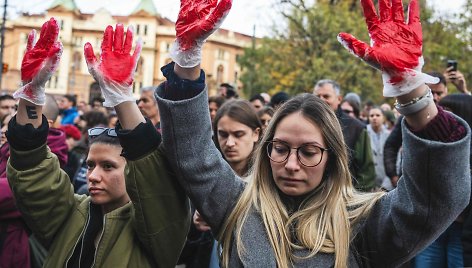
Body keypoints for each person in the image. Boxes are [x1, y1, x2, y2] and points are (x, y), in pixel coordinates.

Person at [147, 0, 469, 267]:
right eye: (281, 148)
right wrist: (187, 57)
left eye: (309, 152)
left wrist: (411, 90)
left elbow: (433, 201)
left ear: (332, 158)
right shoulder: (237, 205)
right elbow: (192, 155)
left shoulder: (362, 222)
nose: (290, 164)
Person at [6, 17, 190, 267]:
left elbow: (156, 181)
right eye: (91, 165)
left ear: (134, 174)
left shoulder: (159, 230)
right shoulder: (72, 215)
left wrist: (121, 97)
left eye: (108, 166)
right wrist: (31, 93)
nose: (92, 175)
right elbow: (32, 171)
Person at [413, 93, 472, 268]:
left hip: (462, 232)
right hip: (433, 228)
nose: (441, 117)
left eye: (447, 112)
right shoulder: (428, 145)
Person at [314, 79, 376, 191]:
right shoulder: (305, 124)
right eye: (317, 96)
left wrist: (356, 200)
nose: (321, 100)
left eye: (326, 96)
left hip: (344, 198)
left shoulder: (356, 128)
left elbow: (366, 170)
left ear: (339, 99)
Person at [212, 99, 262, 177]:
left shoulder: (268, 177)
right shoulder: (207, 175)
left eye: (238, 135)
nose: (229, 143)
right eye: (223, 135)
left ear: (255, 134)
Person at [366, 107, 392, 190]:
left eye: (377, 115)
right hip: (367, 184)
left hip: (386, 183)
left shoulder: (389, 135)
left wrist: (386, 185)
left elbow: (394, 159)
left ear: (383, 118)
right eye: (371, 115)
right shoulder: (363, 134)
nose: (374, 118)